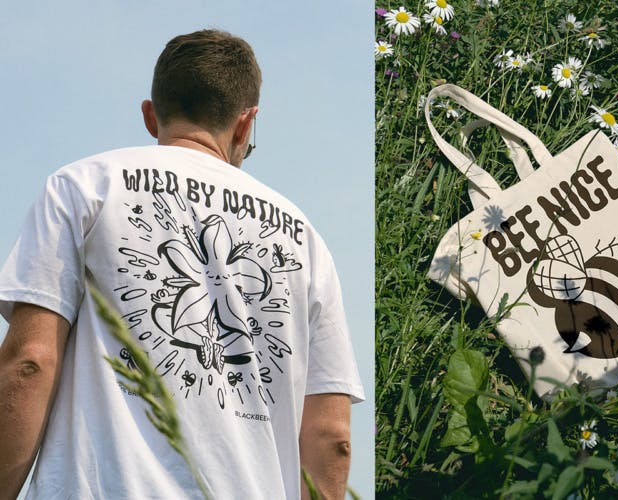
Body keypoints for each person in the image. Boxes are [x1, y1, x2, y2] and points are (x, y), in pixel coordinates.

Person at [0, 29, 364, 499]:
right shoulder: (305, 239)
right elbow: (330, 437)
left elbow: (29, 362)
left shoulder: (83, 187)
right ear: (245, 124)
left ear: (151, 116)